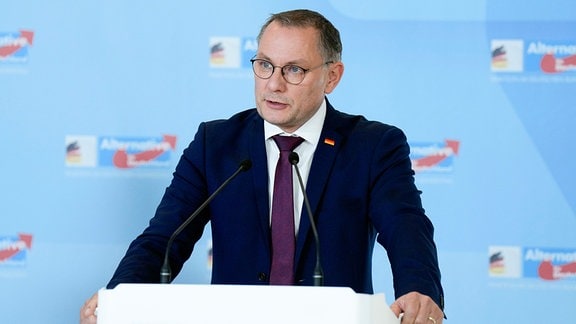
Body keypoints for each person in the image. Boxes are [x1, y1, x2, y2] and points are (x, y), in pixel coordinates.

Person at [81, 8, 445, 324]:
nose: (274, 84)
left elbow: (405, 226)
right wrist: (119, 297)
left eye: (294, 70)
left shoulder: (371, 145)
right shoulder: (217, 144)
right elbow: (164, 239)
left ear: (332, 77)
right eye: (265, 65)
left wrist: (419, 291)